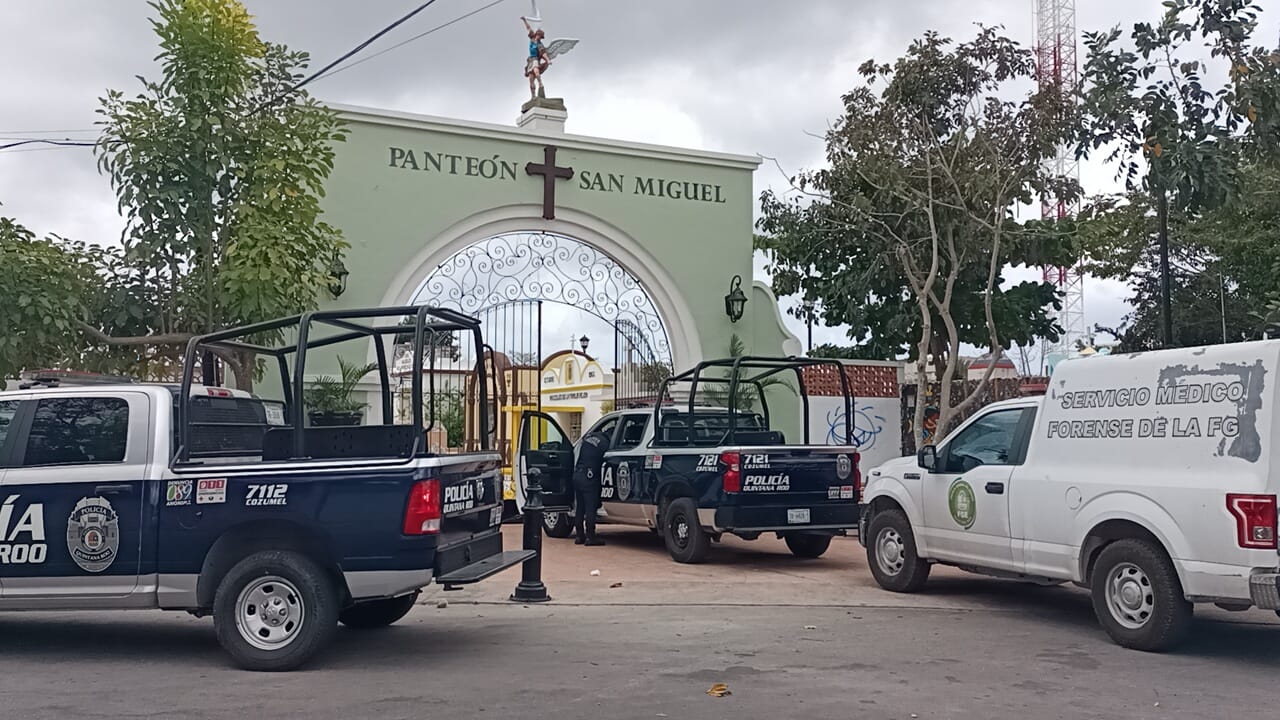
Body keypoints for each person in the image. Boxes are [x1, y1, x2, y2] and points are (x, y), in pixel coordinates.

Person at [572, 427, 611, 546]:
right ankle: (591, 537)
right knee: (590, 508)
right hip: (589, 478)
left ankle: (579, 535)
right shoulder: (605, 443)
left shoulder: (589, 437)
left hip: (577, 474)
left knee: (580, 507)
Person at [522, 16, 551, 99]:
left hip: (535, 60)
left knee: (536, 72)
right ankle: (533, 96)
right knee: (531, 79)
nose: (539, 37)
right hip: (530, 60)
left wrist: (548, 60)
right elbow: (528, 28)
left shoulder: (539, 44)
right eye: (539, 36)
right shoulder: (531, 38)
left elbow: (543, 54)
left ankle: (540, 83)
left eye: (540, 37)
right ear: (537, 34)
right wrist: (524, 20)